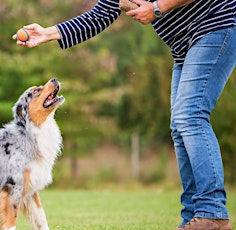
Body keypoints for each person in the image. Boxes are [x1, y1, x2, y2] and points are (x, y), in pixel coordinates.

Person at [12, 0, 235, 229]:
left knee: (190, 117)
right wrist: (46, 33)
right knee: (180, 126)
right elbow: (98, 17)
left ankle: (212, 212)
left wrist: (158, 7)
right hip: (184, 44)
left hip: (214, 25)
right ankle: (193, 217)